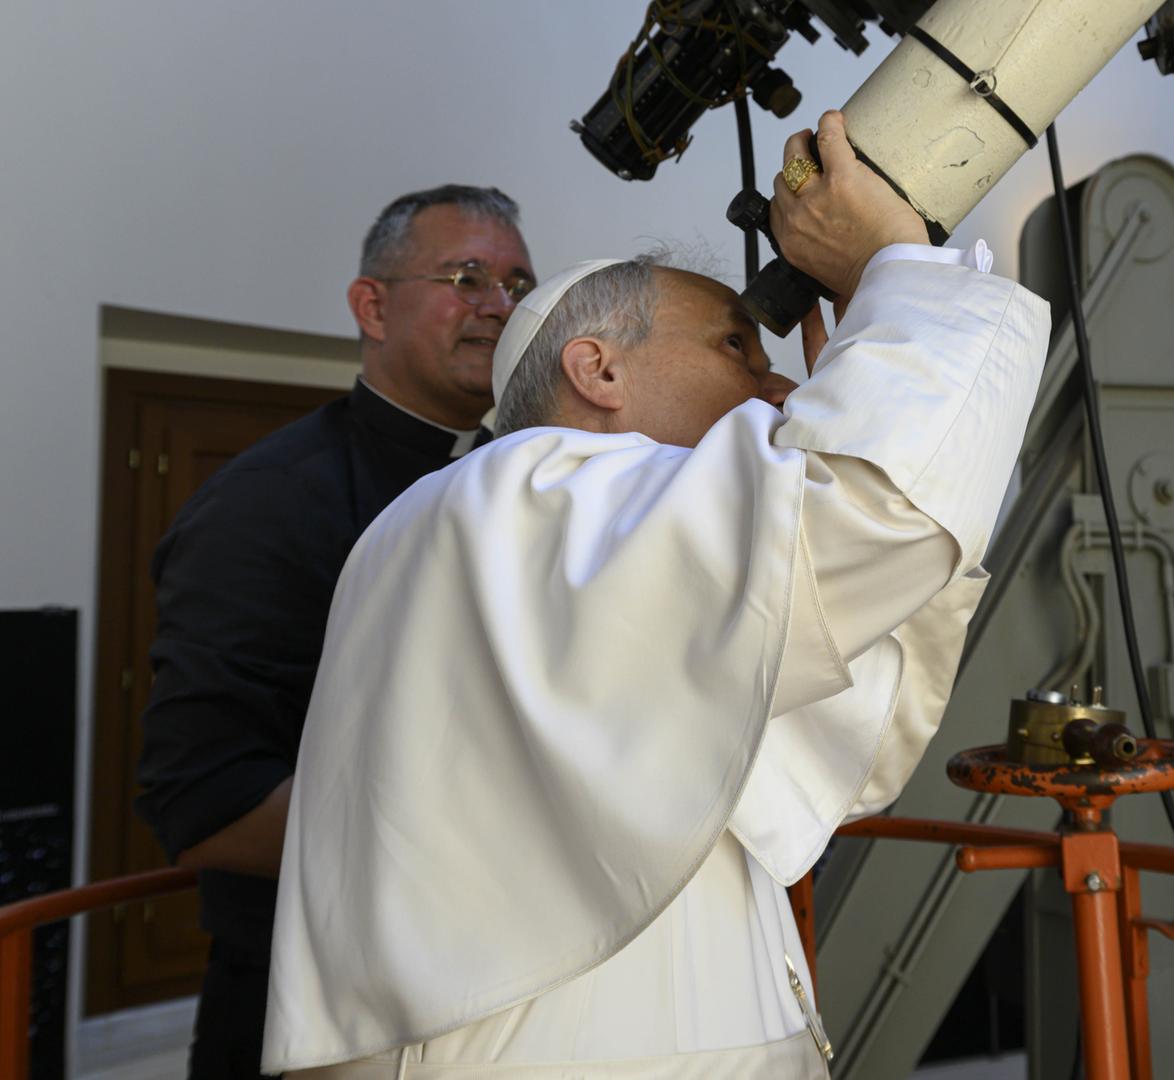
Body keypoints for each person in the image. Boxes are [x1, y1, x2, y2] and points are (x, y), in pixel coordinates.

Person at [261, 111, 1047, 1079]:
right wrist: (897, 267)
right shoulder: (516, 496)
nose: (780, 389)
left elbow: (848, 716)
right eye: (736, 349)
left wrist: (881, 379)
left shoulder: (589, 538)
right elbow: (866, 519)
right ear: (597, 369)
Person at [133, 185, 535, 1079]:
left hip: (497, 993)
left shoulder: (530, 478)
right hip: (309, 996)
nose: (500, 306)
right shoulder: (269, 501)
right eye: (467, 277)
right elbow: (206, 800)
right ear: (372, 307)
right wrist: (495, 843)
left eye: (517, 284)